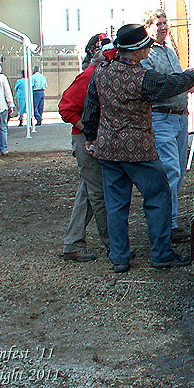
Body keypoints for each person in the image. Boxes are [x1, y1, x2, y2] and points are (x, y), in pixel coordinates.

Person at [82, 23, 194, 273]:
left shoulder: (101, 72)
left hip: (108, 150)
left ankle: (119, 258)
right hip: (139, 149)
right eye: (145, 47)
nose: (148, 51)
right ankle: (161, 252)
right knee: (158, 197)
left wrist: (91, 136)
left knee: (116, 205)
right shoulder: (142, 78)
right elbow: (174, 84)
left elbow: (91, 105)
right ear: (135, 51)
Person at [58, 34, 114, 262]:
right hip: (86, 140)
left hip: (89, 138)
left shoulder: (97, 73)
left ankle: (73, 242)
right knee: (98, 193)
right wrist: (89, 130)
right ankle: (114, 245)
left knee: (88, 192)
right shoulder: (90, 76)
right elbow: (65, 108)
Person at [140, 9, 193, 243]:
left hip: (180, 117)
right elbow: (158, 85)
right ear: (147, 27)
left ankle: (169, 219)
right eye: (158, 23)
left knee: (179, 171)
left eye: (165, 22)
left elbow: (177, 81)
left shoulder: (170, 52)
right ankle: (166, 225)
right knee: (169, 170)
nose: (163, 27)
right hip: (161, 117)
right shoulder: (147, 56)